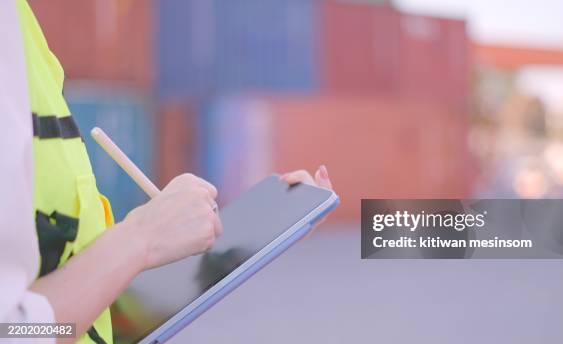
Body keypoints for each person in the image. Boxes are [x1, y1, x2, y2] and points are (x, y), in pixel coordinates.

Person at [0, 1, 333, 343]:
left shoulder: (22, 29)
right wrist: (140, 237)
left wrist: (247, 248)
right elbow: (14, 331)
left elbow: (79, 307)